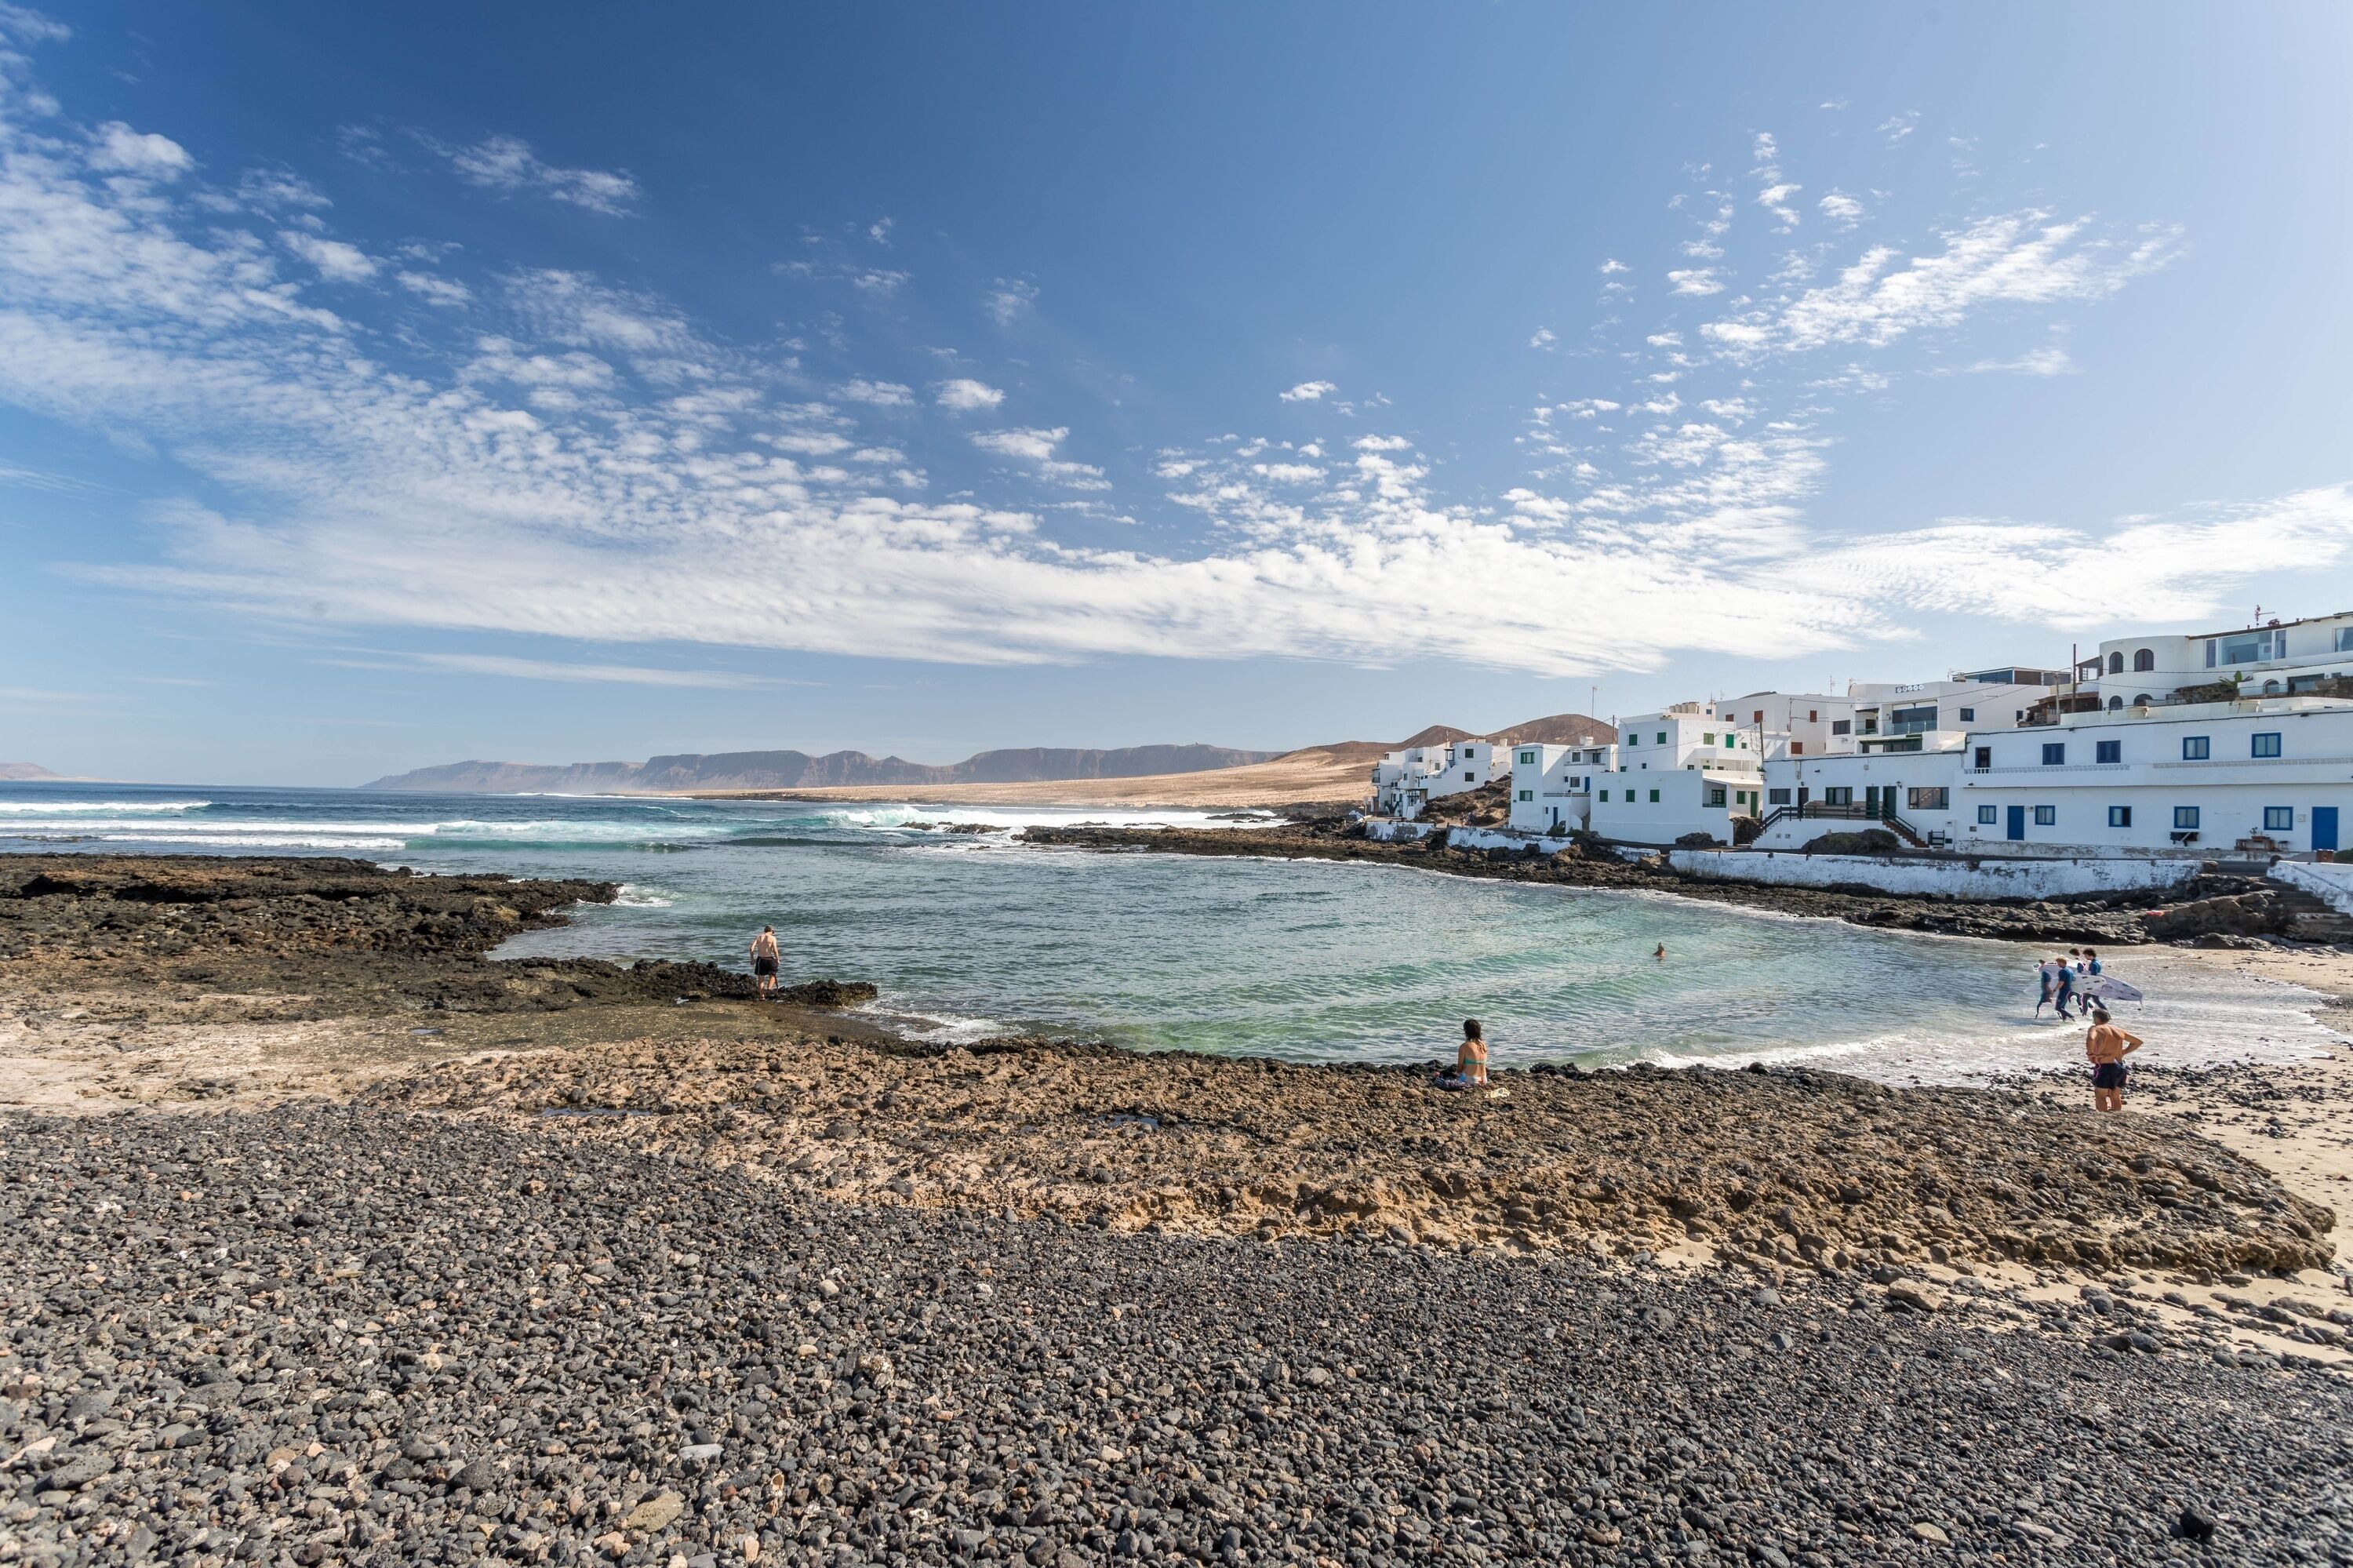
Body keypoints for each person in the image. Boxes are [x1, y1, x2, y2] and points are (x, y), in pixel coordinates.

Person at [2084, 1007, 2143, 1112]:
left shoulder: (2095, 1029)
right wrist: (2124, 1051)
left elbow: (2090, 1039)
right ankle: (2116, 1115)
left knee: (2100, 1094)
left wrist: (2090, 1054)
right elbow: (2138, 1042)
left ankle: (2103, 1116)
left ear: (2096, 1018)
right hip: (2120, 1066)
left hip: (2105, 1066)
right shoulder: (2118, 1030)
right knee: (2115, 1095)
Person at [1434, 1019, 1489, 1090]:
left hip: (1471, 1080)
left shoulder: (1465, 1046)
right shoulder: (1484, 1045)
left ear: (1466, 1032)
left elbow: (1460, 1068)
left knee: (1442, 1076)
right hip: (1484, 1080)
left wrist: (1455, 1074)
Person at [748, 925, 780, 1000]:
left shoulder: (758, 937)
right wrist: (777, 959)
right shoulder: (772, 938)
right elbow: (775, 950)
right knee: (773, 975)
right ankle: (769, 990)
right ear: (771, 931)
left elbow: (751, 948)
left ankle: (762, 997)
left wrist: (752, 959)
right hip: (769, 959)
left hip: (760, 959)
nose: (773, 933)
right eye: (773, 932)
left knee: (761, 978)